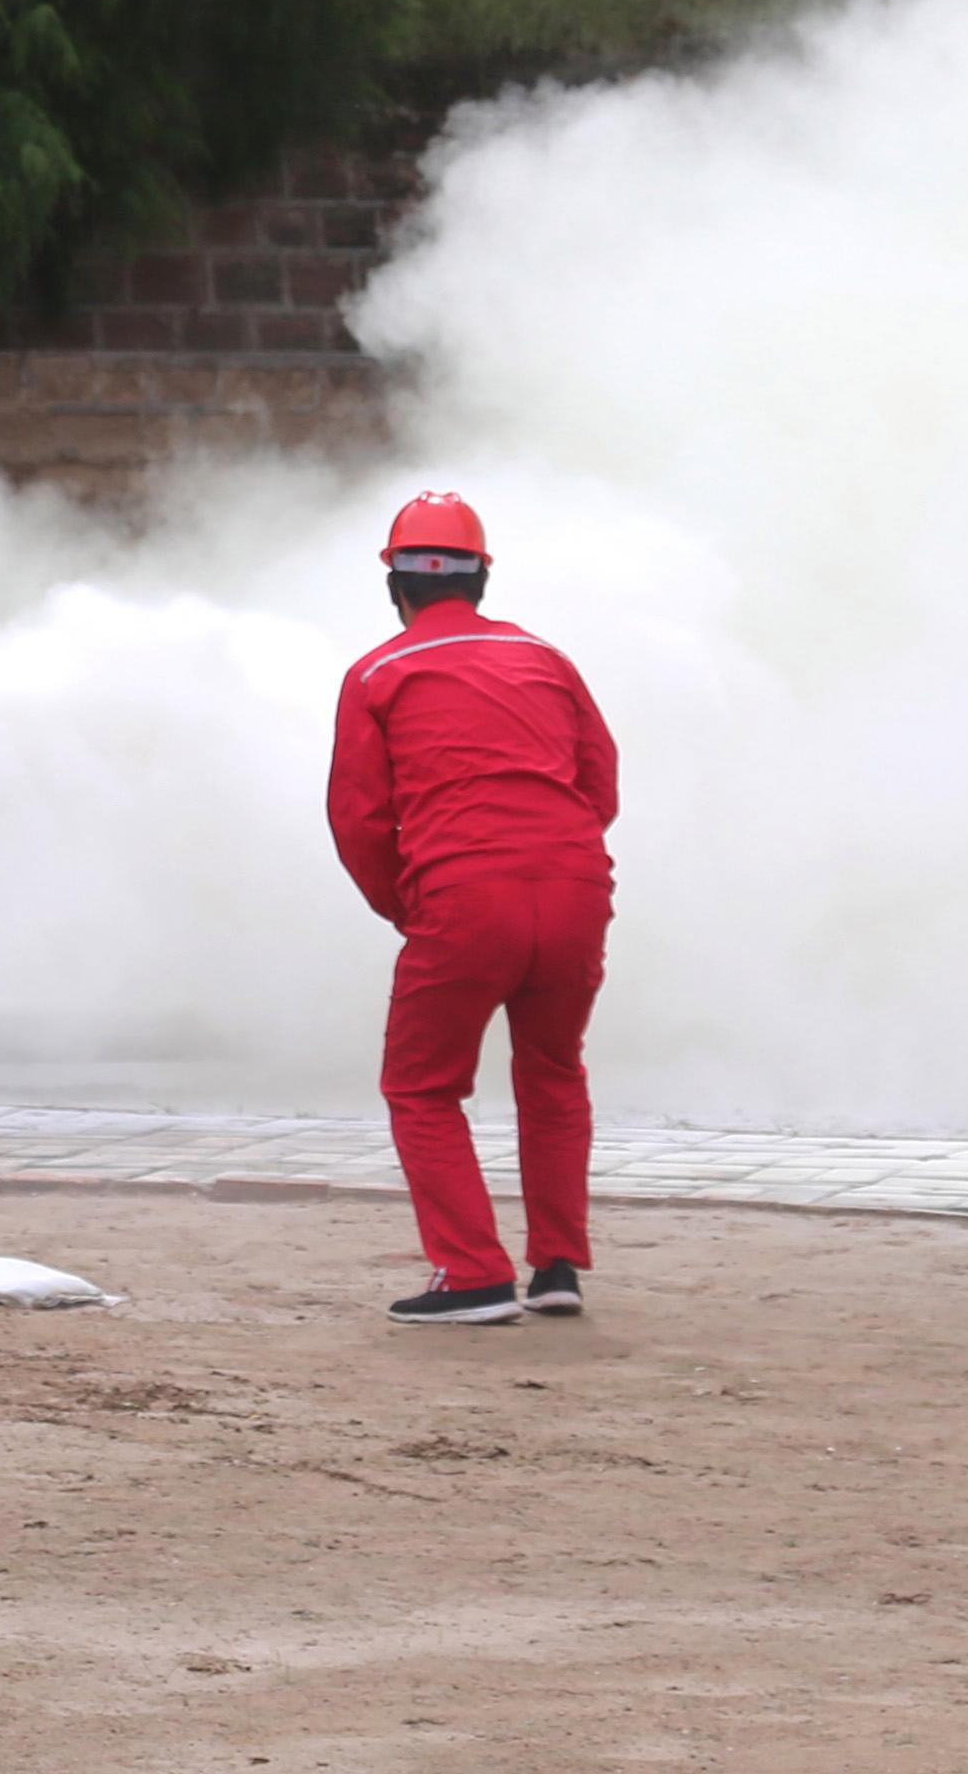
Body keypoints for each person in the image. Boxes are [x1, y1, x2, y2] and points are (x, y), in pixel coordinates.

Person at [326, 489, 618, 1327]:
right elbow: (600, 780)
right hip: (574, 886)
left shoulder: (377, 674)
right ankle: (557, 1266)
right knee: (554, 1072)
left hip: (461, 894)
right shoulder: (549, 660)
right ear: (481, 577)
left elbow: (357, 818)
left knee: (421, 1086)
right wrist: (553, 860)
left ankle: (473, 1272)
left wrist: (408, 905)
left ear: (396, 585)